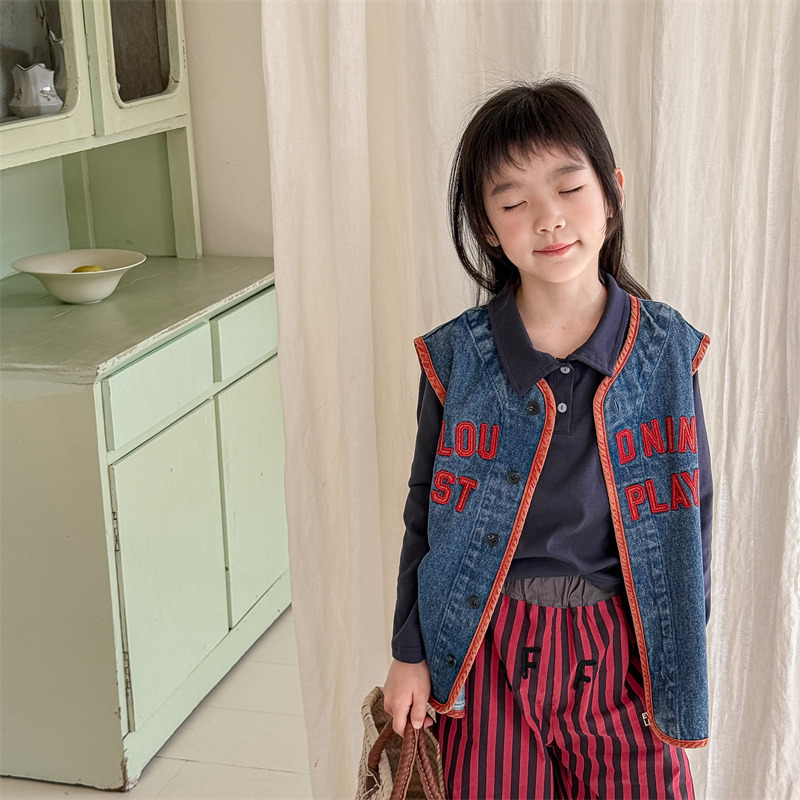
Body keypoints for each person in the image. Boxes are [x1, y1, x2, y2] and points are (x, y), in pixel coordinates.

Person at [382, 79, 712, 799]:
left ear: (612, 192)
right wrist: (409, 653)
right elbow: (425, 513)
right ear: (487, 226)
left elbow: (691, 517)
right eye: (513, 203)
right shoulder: (457, 360)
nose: (548, 218)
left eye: (569, 187)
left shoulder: (665, 353)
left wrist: (675, 653)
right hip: (487, 644)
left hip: (620, 647)